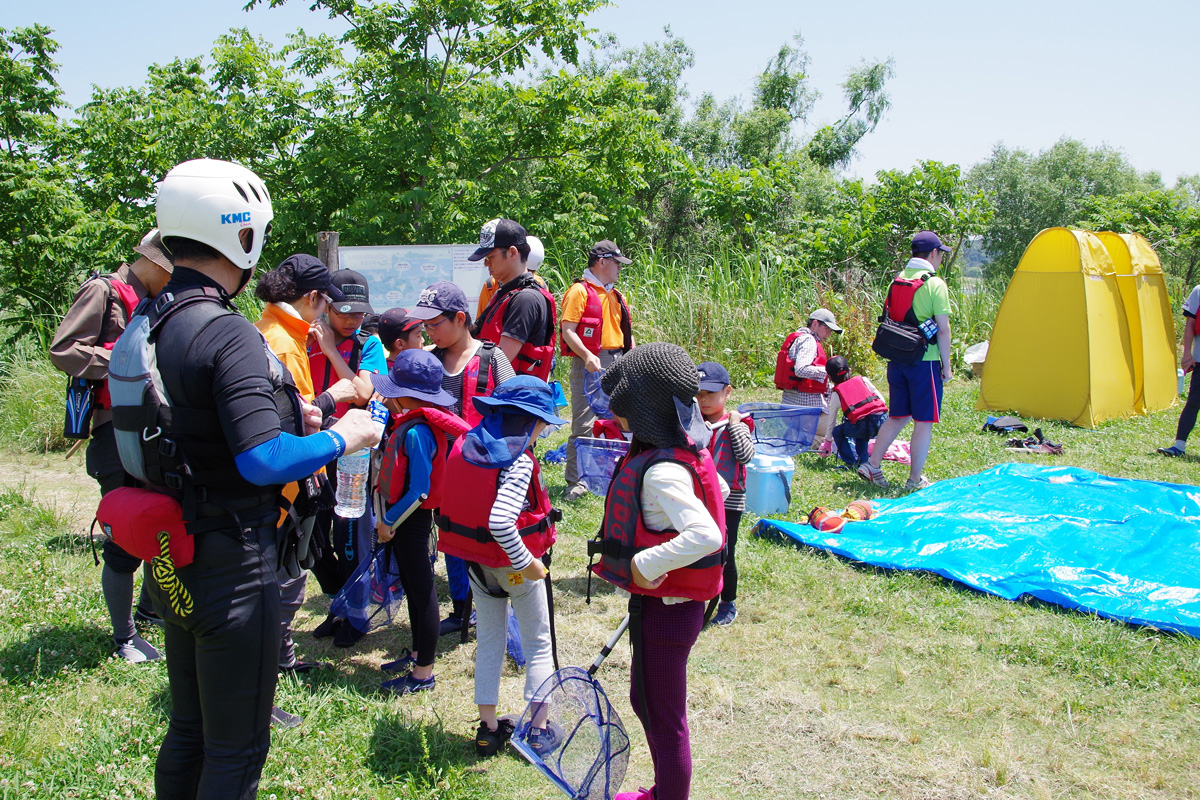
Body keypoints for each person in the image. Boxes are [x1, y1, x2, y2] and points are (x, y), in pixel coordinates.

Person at [122, 158, 380, 798]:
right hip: (233, 562)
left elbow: (200, 428)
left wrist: (299, 419)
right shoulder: (227, 331)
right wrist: (340, 436)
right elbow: (260, 461)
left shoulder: (151, 318)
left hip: (171, 550)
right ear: (240, 234)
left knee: (188, 730)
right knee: (236, 752)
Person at [590, 343, 725, 800]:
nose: (617, 416)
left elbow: (707, 536)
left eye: (623, 408)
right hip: (667, 605)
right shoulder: (680, 451)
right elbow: (718, 487)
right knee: (645, 700)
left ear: (644, 410)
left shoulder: (661, 472)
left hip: (669, 609)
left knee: (664, 715)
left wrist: (645, 562)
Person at [49, 229, 174, 663]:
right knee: (124, 534)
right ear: (157, 263)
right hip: (114, 433)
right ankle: (123, 637)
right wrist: (126, 358)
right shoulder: (103, 291)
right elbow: (64, 349)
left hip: (154, 431)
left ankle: (149, 612)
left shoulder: (160, 301)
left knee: (162, 522)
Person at [437, 377, 564, 756]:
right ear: (529, 422)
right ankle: (539, 731)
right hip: (513, 568)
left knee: (490, 641)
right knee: (539, 642)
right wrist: (527, 565)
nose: (543, 430)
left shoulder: (465, 446)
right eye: (542, 422)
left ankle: (489, 730)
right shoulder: (519, 460)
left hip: (477, 565)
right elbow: (499, 521)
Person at [254, 254, 360, 699]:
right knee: (286, 577)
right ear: (313, 297)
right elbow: (294, 423)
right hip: (289, 486)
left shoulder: (272, 331)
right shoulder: (282, 342)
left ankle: (281, 657)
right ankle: (268, 672)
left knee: (290, 574)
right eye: (325, 303)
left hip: (288, 480)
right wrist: (334, 399)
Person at [407, 280, 516, 635]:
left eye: (434, 324)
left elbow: (516, 409)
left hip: (487, 469)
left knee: (490, 536)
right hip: (445, 471)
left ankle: (500, 599)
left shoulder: (491, 357)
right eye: (424, 325)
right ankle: (460, 607)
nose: (428, 331)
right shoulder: (430, 361)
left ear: (459, 318)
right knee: (452, 537)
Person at [371, 349, 469, 695]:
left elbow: (420, 492)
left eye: (392, 391)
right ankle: (416, 653)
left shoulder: (416, 432)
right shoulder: (411, 424)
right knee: (414, 589)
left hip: (410, 523)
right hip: (404, 524)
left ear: (407, 397)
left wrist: (388, 522)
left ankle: (423, 672)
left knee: (422, 590)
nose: (386, 396)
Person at [308, 268, 389, 647]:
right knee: (314, 537)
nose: (352, 320)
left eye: (358, 313)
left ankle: (355, 616)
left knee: (351, 535)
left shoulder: (368, 344)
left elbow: (363, 393)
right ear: (326, 306)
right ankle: (338, 603)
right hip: (310, 448)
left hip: (352, 455)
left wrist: (327, 351)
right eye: (343, 312)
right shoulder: (303, 337)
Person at [858, 230, 953, 490]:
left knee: (898, 415)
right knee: (924, 421)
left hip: (897, 359)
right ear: (933, 254)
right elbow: (943, 330)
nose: (940, 259)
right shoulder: (935, 284)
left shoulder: (896, 281)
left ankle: (872, 464)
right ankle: (914, 480)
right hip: (925, 360)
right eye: (940, 254)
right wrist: (947, 365)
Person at [560, 240, 635, 500]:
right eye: (616, 263)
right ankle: (575, 482)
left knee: (623, 419)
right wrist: (588, 355)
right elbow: (568, 331)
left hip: (618, 359)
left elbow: (626, 334)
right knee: (584, 422)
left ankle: (618, 474)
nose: (619, 269)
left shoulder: (616, 295)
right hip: (590, 361)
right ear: (601, 262)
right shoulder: (579, 291)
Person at [695, 361, 753, 627]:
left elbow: (745, 455)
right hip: (700, 498)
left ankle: (728, 602)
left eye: (711, 394)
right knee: (697, 549)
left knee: (725, 553)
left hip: (730, 502)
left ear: (727, 392)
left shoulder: (737, 424)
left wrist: (735, 425)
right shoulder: (693, 424)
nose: (704, 400)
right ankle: (696, 595)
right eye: (699, 394)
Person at [470, 220, 557, 381]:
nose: (485, 263)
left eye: (490, 257)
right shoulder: (503, 293)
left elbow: (499, 362)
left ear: (512, 253)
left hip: (514, 402)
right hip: (499, 398)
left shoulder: (526, 299)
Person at [774, 308, 841, 446]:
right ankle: (797, 438)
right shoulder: (809, 340)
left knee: (828, 438)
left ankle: (795, 436)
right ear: (815, 324)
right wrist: (828, 371)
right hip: (804, 412)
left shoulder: (800, 337)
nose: (829, 334)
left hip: (792, 411)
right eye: (827, 329)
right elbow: (801, 369)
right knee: (839, 433)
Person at [1157, 284, 1200, 457]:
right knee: (1194, 402)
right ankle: (1179, 446)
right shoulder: (1198, 290)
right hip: (1199, 359)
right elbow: (1190, 324)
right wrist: (1187, 354)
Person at [826, 355, 888, 469]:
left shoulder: (837, 394)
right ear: (849, 370)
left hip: (865, 426)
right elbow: (882, 400)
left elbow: (831, 422)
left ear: (829, 377)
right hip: (884, 421)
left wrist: (827, 442)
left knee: (837, 431)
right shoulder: (863, 380)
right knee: (859, 423)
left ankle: (851, 464)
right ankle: (863, 461)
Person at [475, 234, 547, 316]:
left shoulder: (491, 284)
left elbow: (482, 321)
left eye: (490, 257)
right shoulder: (541, 285)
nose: (486, 263)